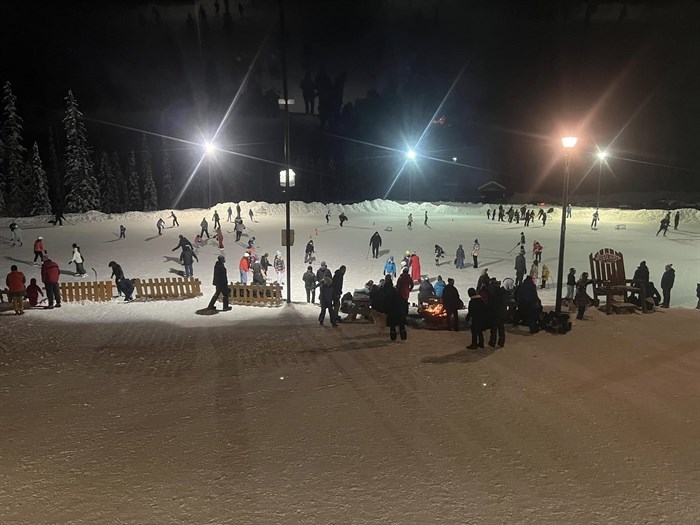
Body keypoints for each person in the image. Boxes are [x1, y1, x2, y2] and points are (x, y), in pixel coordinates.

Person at [383, 276, 407, 341]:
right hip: (399, 310)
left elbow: (385, 303)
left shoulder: (386, 293)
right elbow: (401, 300)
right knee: (401, 325)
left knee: (392, 326)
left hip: (391, 311)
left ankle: (393, 338)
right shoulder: (396, 291)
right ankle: (403, 337)